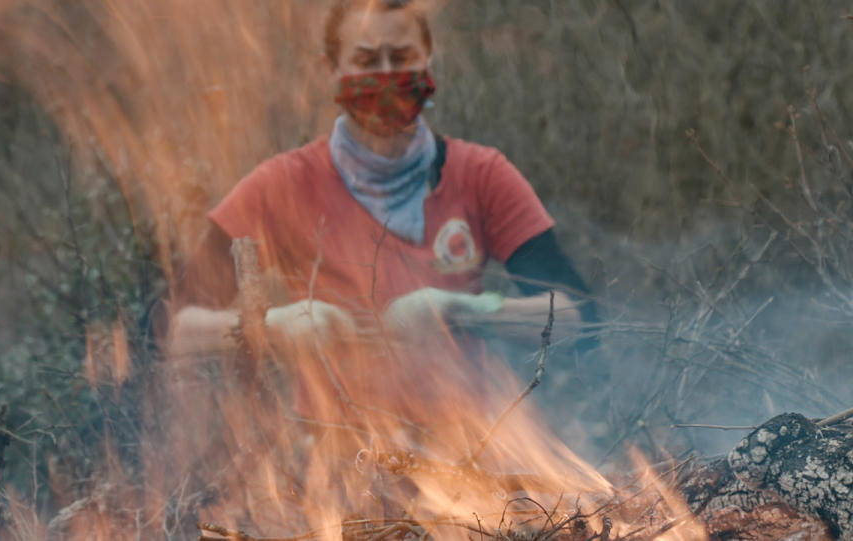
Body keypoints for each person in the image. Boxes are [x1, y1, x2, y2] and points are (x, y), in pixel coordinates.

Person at [165, 0, 597, 429]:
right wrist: (273, 326)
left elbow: (579, 314)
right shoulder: (282, 185)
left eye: (403, 57)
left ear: (428, 61)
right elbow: (172, 327)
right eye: (367, 60)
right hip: (333, 463)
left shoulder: (482, 175)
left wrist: (458, 310)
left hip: (463, 455)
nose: (387, 74)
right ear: (330, 70)